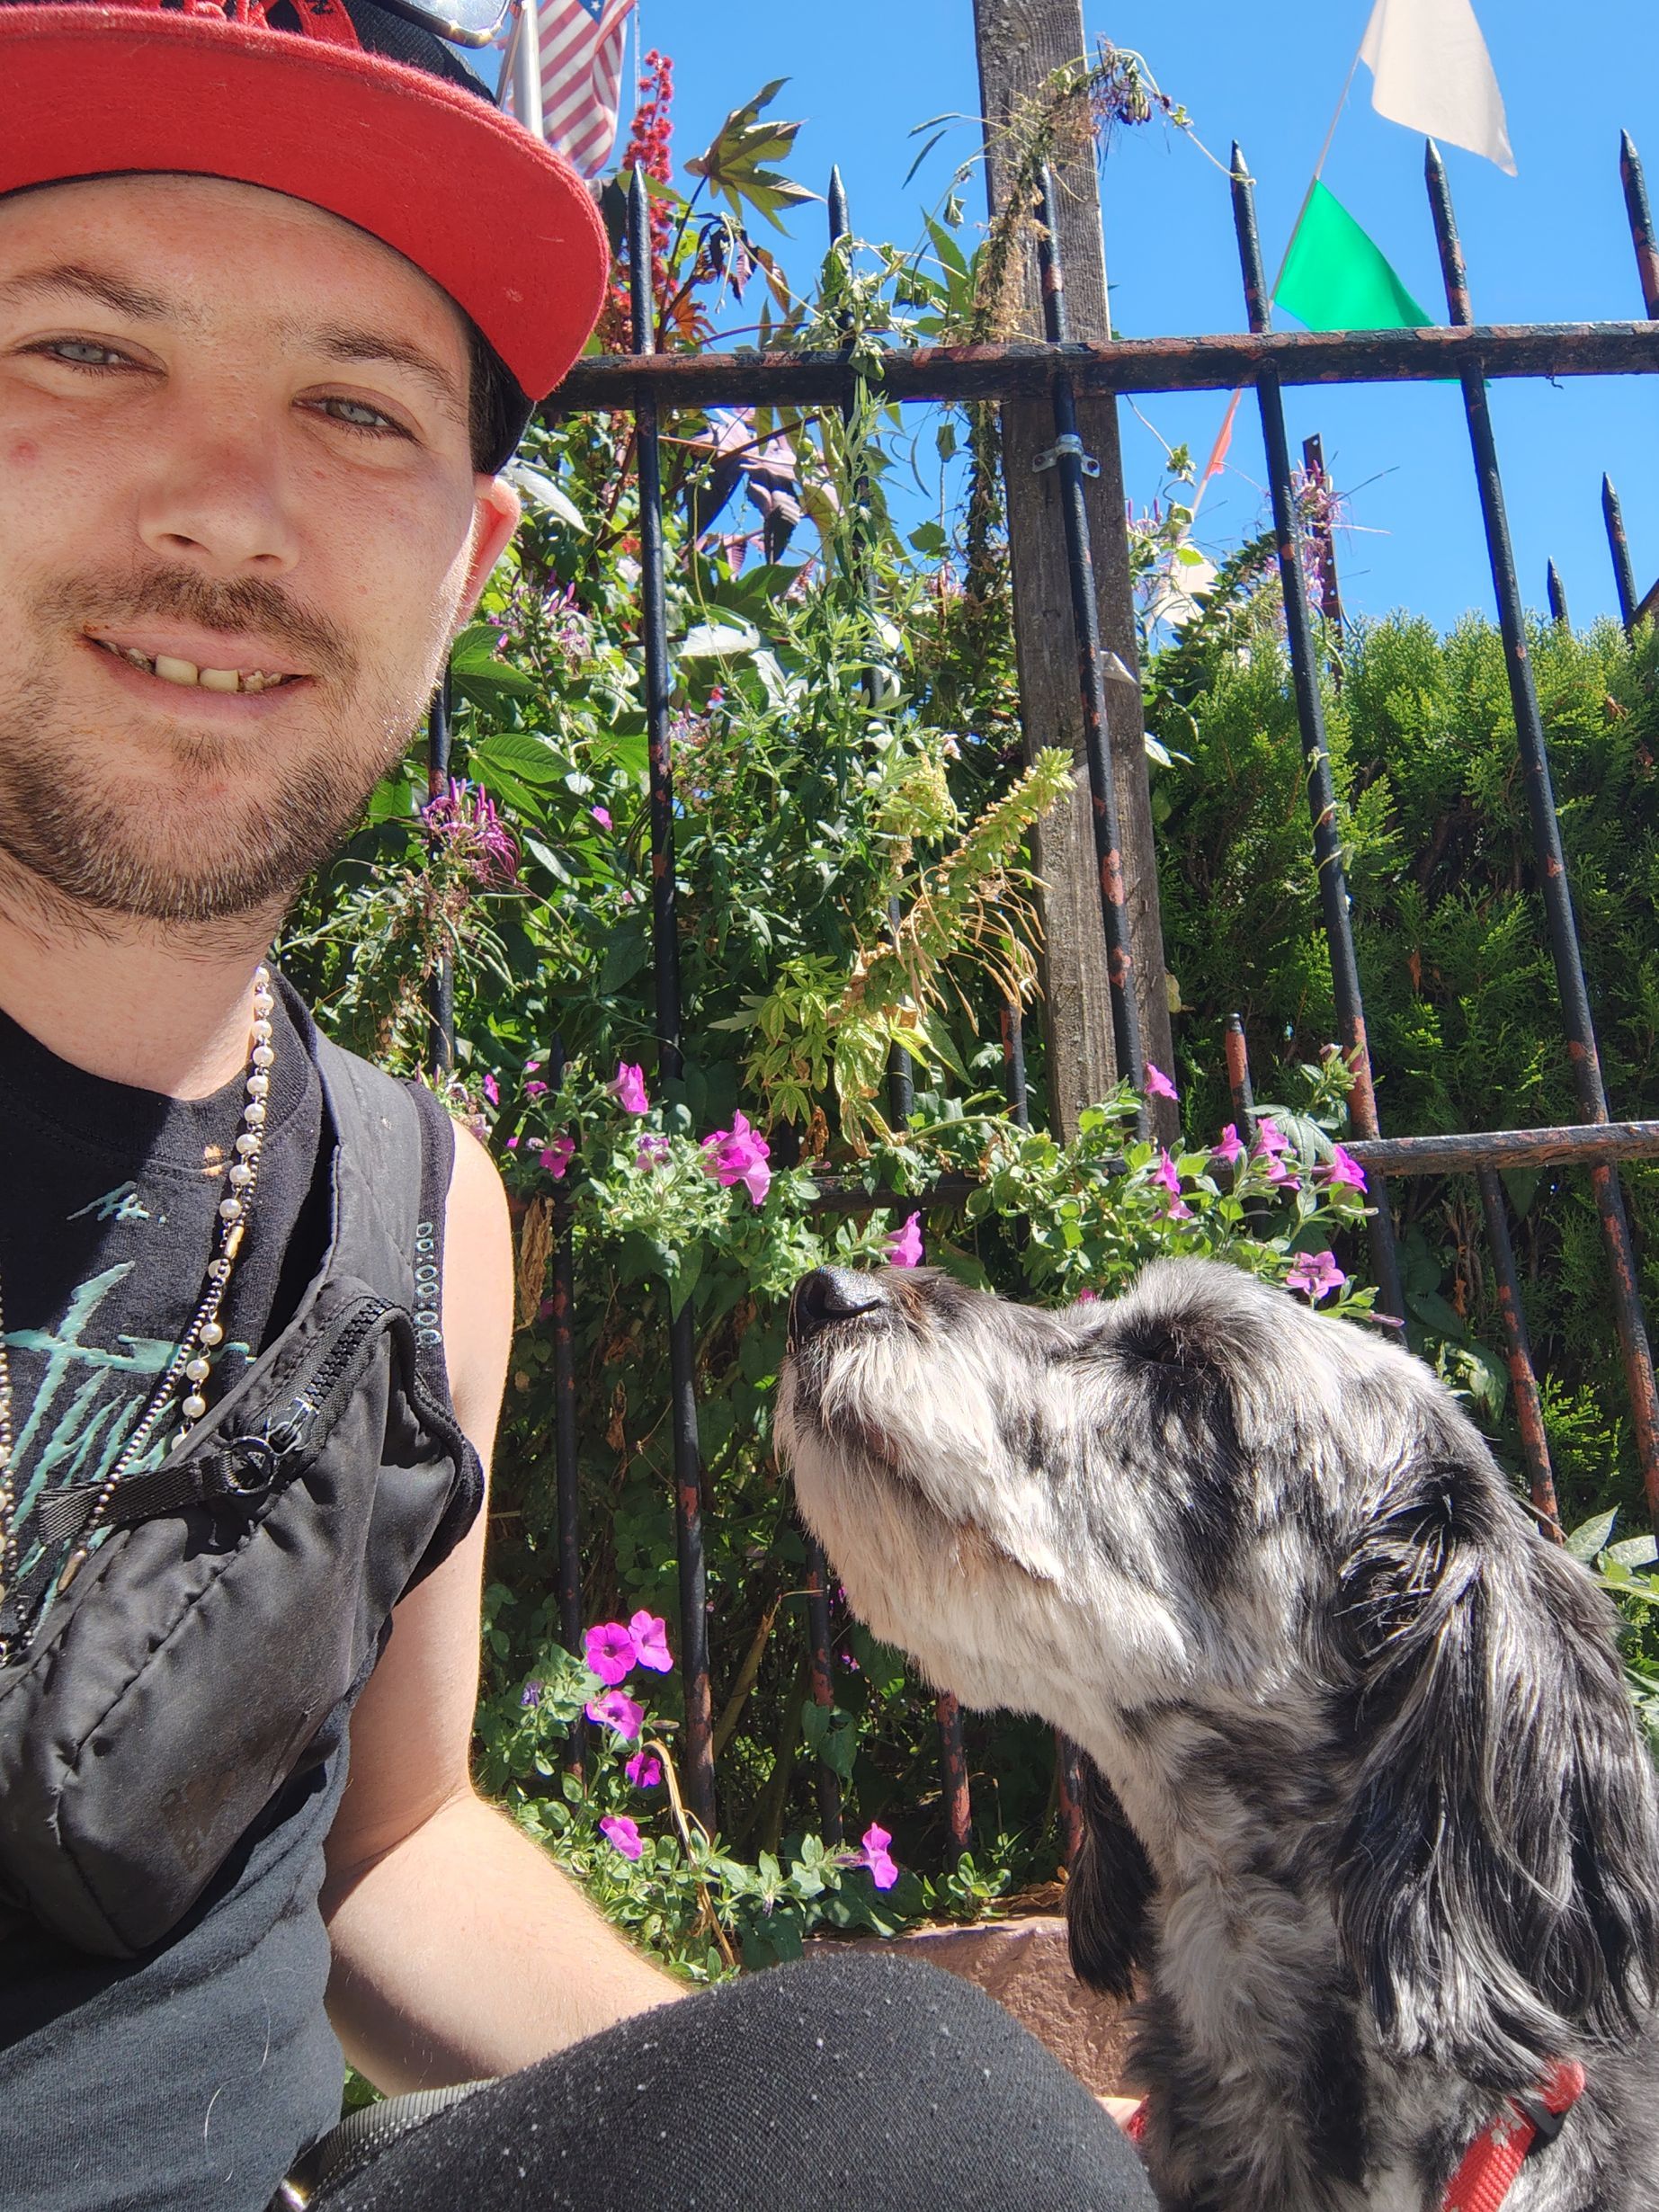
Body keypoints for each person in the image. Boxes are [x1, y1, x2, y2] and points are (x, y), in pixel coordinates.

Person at [0, 4, 1156, 2207]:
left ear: (468, 566)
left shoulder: (413, 1207)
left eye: (354, 405)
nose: (228, 509)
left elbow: (391, 1846)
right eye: (82, 351)